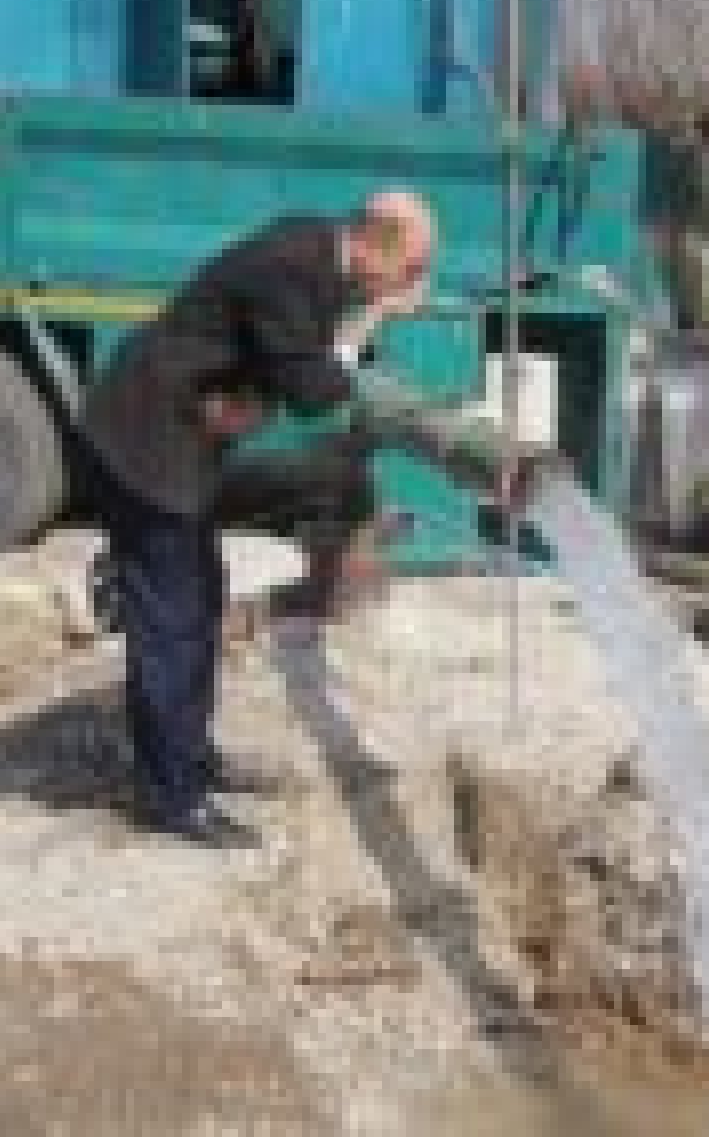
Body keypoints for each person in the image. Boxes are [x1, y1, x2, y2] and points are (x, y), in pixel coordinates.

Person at [79, 191, 530, 848]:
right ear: (374, 244)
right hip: (146, 444)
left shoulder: (323, 254)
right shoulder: (291, 270)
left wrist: (273, 383)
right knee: (173, 621)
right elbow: (316, 392)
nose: (418, 285)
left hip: (184, 437)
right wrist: (373, 317)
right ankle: (172, 799)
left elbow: (299, 362)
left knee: (199, 599)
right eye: (412, 269)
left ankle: (191, 760)